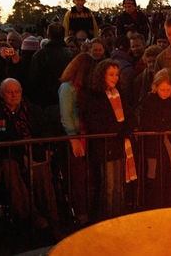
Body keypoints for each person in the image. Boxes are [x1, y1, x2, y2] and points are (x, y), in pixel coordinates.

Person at [0, 78, 57, 231]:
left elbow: (46, 130)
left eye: (17, 91)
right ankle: (30, 216)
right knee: (10, 169)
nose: (14, 95)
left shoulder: (33, 110)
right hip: (6, 158)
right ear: (1, 94)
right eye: (10, 92)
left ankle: (51, 215)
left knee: (40, 166)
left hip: (32, 153)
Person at [80, 58, 138, 219]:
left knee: (119, 185)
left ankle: (119, 216)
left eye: (117, 74)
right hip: (105, 146)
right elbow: (95, 122)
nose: (115, 78)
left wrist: (125, 129)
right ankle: (108, 219)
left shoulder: (120, 93)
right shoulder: (95, 96)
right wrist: (121, 129)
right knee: (108, 186)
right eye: (111, 74)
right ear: (102, 75)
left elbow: (131, 115)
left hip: (119, 144)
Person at [58, 52, 97, 224]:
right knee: (78, 176)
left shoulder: (84, 88)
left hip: (87, 134)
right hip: (77, 136)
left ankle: (90, 210)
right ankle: (81, 213)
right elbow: (66, 115)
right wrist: (73, 138)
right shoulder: (68, 88)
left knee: (89, 175)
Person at [136, 68, 171, 208]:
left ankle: (169, 204)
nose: (165, 93)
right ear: (156, 87)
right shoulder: (149, 101)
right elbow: (146, 121)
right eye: (162, 90)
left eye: (168, 90)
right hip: (153, 146)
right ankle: (153, 205)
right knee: (153, 175)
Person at [28, 22, 74, 137]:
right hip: (65, 104)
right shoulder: (70, 56)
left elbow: (33, 81)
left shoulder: (39, 55)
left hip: (45, 104)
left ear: (48, 35)